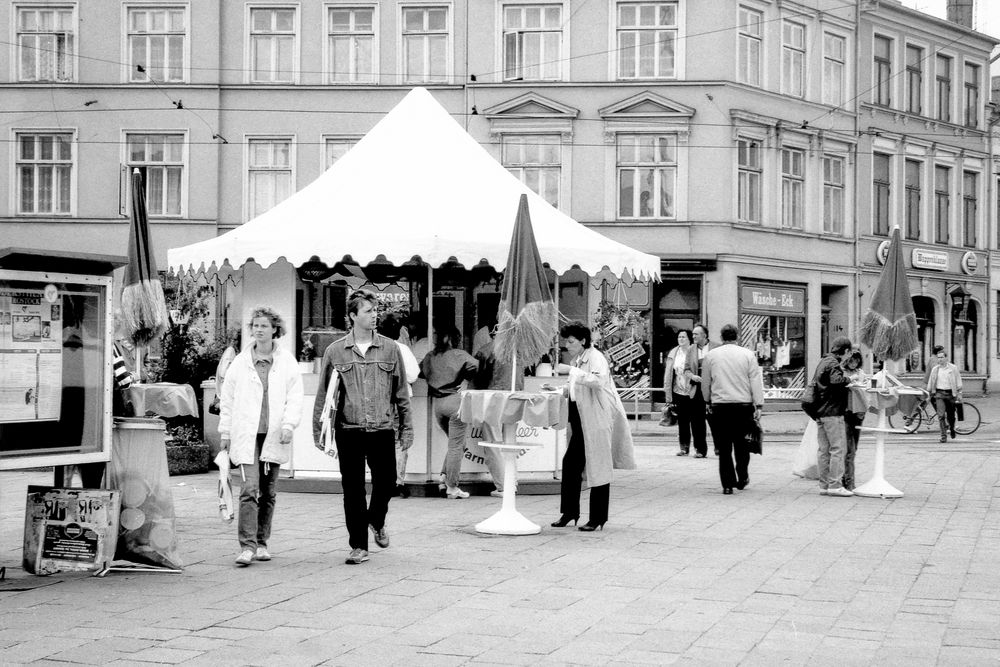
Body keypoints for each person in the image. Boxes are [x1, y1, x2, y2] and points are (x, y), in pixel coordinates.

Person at [313, 290, 412, 565]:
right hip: (349, 428)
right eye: (368, 311)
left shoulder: (391, 348)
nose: (374, 315)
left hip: (381, 426)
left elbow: (402, 392)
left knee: (388, 481)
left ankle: (376, 520)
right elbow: (324, 394)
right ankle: (359, 545)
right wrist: (319, 430)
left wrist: (406, 428)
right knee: (352, 489)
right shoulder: (335, 351)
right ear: (353, 316)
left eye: (375, 310)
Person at [219, 306, 304, 566]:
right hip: (247, 435)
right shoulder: (241, 363)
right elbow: (228, 398)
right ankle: (246, 546)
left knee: (268, 492)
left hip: (274, 434)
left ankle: (262, 542)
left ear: (275, 329)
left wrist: (289, 425)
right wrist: (225, 431)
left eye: (264, 325)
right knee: (249, 488)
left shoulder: (286, 361)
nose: (258, 329)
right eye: (255, 325)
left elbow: (295, 395)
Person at [551, 321, 636, 531]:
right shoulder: (579, 359)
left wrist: (571, 370)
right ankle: (569, 512)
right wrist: (560, 390)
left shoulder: (595, 358)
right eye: (566, 341)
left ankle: (598, 517)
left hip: (596, 420)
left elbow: (598, 382)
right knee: (571, 464)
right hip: (581, 421)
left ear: (582, 341)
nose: (567, 345)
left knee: (598, 465)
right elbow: (577, 389)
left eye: (570, 341)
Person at [700, 323, 763, 495]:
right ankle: (742, 476)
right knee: (742, 444)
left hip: (720, 406)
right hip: (743, 406)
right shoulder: (748, 355)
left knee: (724, 446)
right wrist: (758, 404)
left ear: (721, 337)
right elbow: (755, 381)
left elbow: (706, 382)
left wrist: (707, 400)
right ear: (737, 336)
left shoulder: (711, 356)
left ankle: (727, 484)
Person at [421, 327, 478, 499]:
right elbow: (476, 365)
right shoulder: (459, 355)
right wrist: (465, 379)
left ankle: (444, 477)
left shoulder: (430, 356)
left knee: (457, 445)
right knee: (457, 446)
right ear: (456, 338)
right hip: (455, 401)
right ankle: (452, 487)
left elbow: (420, 372)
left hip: (438, 404)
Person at [472, 326, 522, 496]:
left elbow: (478, 378)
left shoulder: (487, 349)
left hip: (494, 398)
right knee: (510, 443)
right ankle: (512, 482)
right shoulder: (519, 350)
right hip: (515, 397)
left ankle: (504, 486)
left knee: (494, 443)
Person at [377, 314, 419, 498]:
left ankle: (383, 480)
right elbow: (413, 375)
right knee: (400, 440)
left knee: (381, 440)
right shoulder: (402, 349)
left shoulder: (375, 348)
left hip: (380, 399)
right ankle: (397, 481)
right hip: (401, 399)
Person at [809, 336, 854, 497]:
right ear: (846, 351)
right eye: (850, 353)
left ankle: (824, 484)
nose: (850, 356)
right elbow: (836, 381)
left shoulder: (824, 361)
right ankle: (835, 484)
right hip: (833, 412)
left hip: (820, 411)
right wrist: (849, 380)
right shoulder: (834, 363)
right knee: (838, 448)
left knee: (823, 450)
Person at [663, 329, 706, 457]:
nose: (681, 339)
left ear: (689, 339)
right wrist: (668, 394)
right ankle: (684, 448)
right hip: (678, 391)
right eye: (679, 337)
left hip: (693, 390)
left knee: (697, 422)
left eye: (684, 337)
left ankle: (700, 449)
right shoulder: (674, 352)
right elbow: (669, 374)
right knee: (682, 421)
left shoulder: (694, 351)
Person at [926, 345, 963, 443]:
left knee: (951, 416)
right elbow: (931, 381)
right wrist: (929, 393)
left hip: (950, 394)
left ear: (946, 358)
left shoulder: (953, 368)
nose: (940, 359)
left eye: (942, 357)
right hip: (939, 394)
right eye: (938, 358)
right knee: (941, 415)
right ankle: (943, 436)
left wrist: (959, 393)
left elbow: (958, 381)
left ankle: (951, 428)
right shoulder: (935, 369)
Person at [842, 350, 867, 491]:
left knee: (853, 448)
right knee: (848, 449)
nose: (854, 363)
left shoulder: (861, 373)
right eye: (852, 360)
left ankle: (847, 479)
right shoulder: (842, 373)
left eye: (857, 361)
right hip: (846, 412)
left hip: (858, 413)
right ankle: (849, 481)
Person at [690, 323, 717, 456]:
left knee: (715, 420)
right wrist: (692, 376)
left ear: (704, 335)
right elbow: (686, 368)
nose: (693, 336)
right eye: (693, 334)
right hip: (697, 389)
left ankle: (719, 446)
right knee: (697, 421)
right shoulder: (691, 349)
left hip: (713, 389)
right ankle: (700, 449)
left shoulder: (716, 348)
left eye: (696, 334)